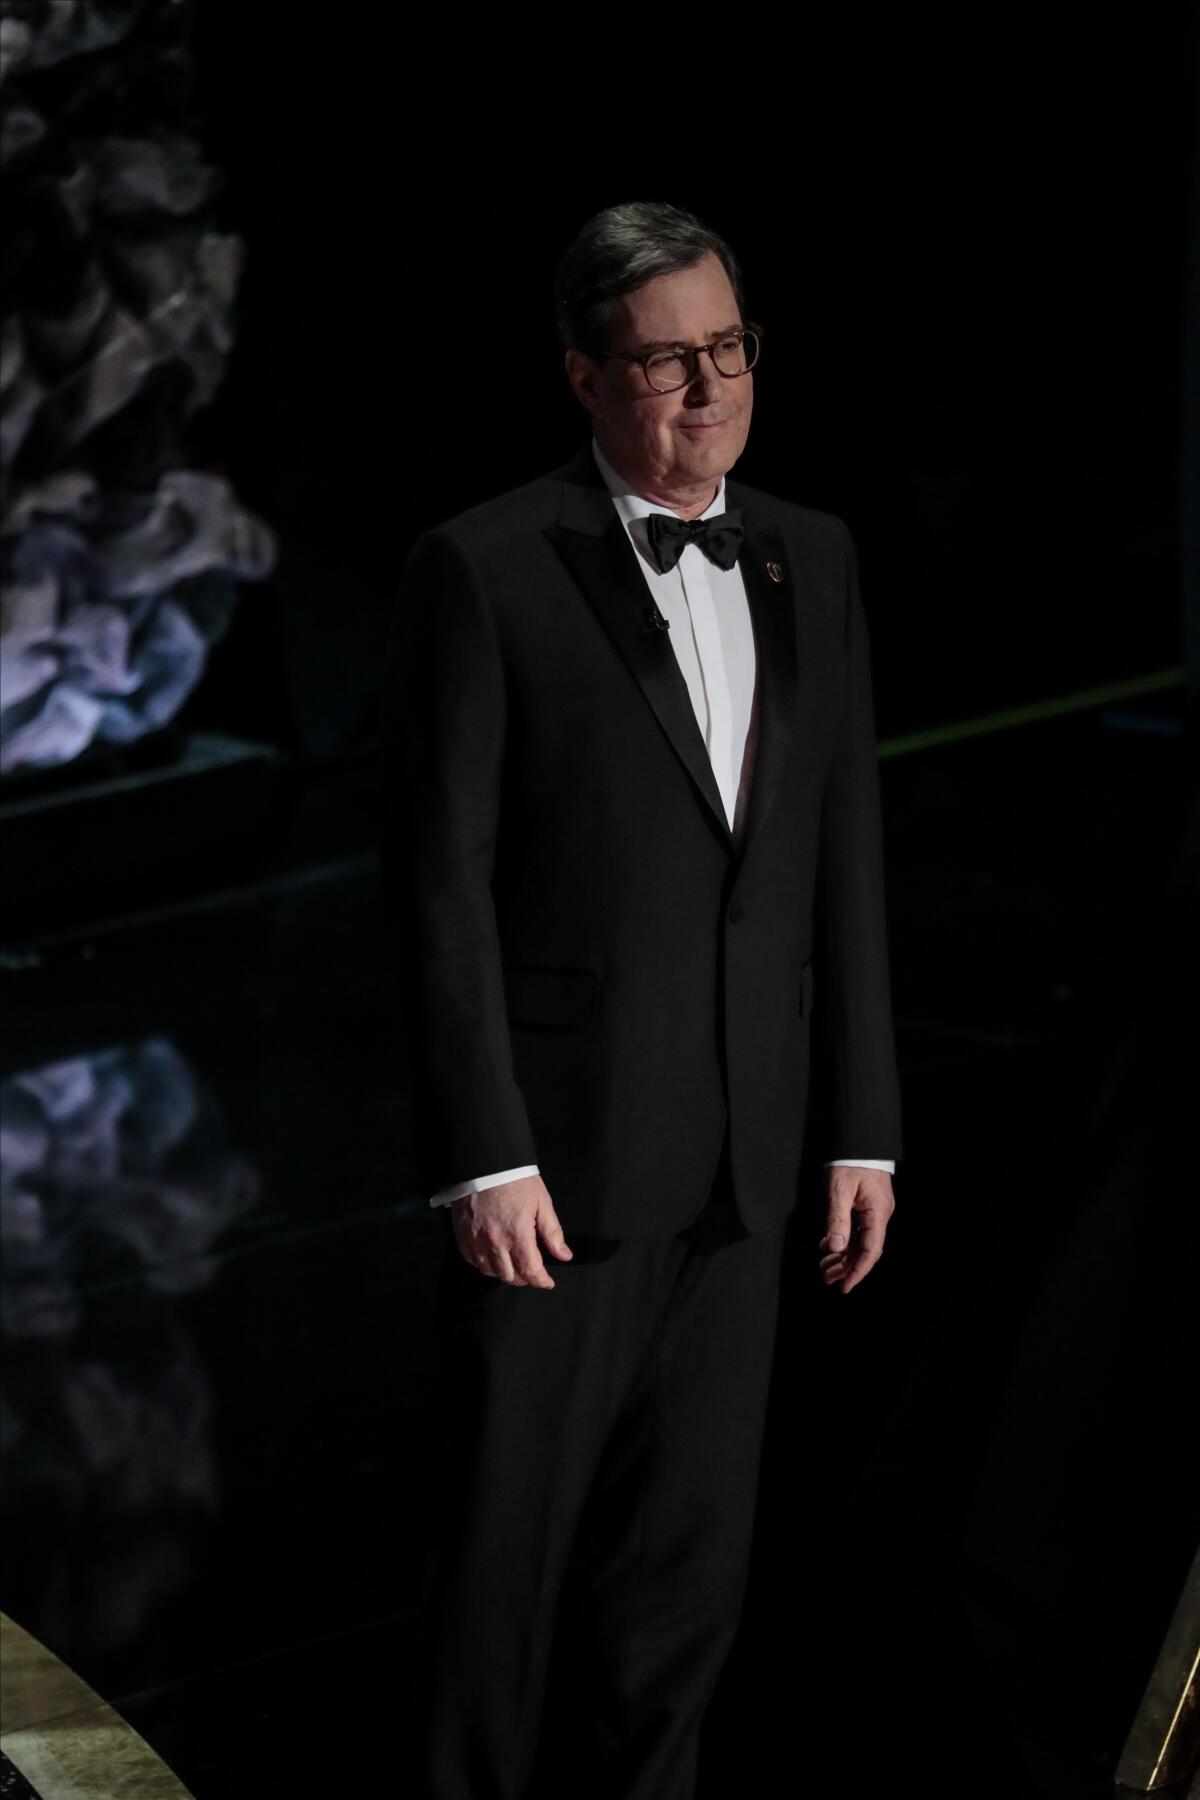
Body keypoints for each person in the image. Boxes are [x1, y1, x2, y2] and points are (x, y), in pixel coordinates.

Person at [379, 199, 903, 1800]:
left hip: (749, 1169)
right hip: (562, 1174)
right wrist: (486, 1151)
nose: (707, 391)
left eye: (728, 350)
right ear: (585, 377)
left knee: (684, 1592)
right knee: (498, 1589)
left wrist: (864, 1134)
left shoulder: (812, 552)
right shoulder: (483, 568)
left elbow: (843, 865)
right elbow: (440, 885)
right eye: (666, 361)